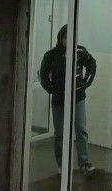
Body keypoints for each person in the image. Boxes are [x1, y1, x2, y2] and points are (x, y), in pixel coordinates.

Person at [39, 24, 97, 176]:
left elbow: (92, 65)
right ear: (61, 38)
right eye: (65, 38)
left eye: (71, 38)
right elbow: (43, 76)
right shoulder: (51, 55)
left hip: (78, 98)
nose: (68, 41)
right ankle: (62, 165)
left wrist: (85, 83)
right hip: (59, 100)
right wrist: (52, 89)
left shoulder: (81, 51)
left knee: (81, 130)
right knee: (60, 134)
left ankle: (84, 163)